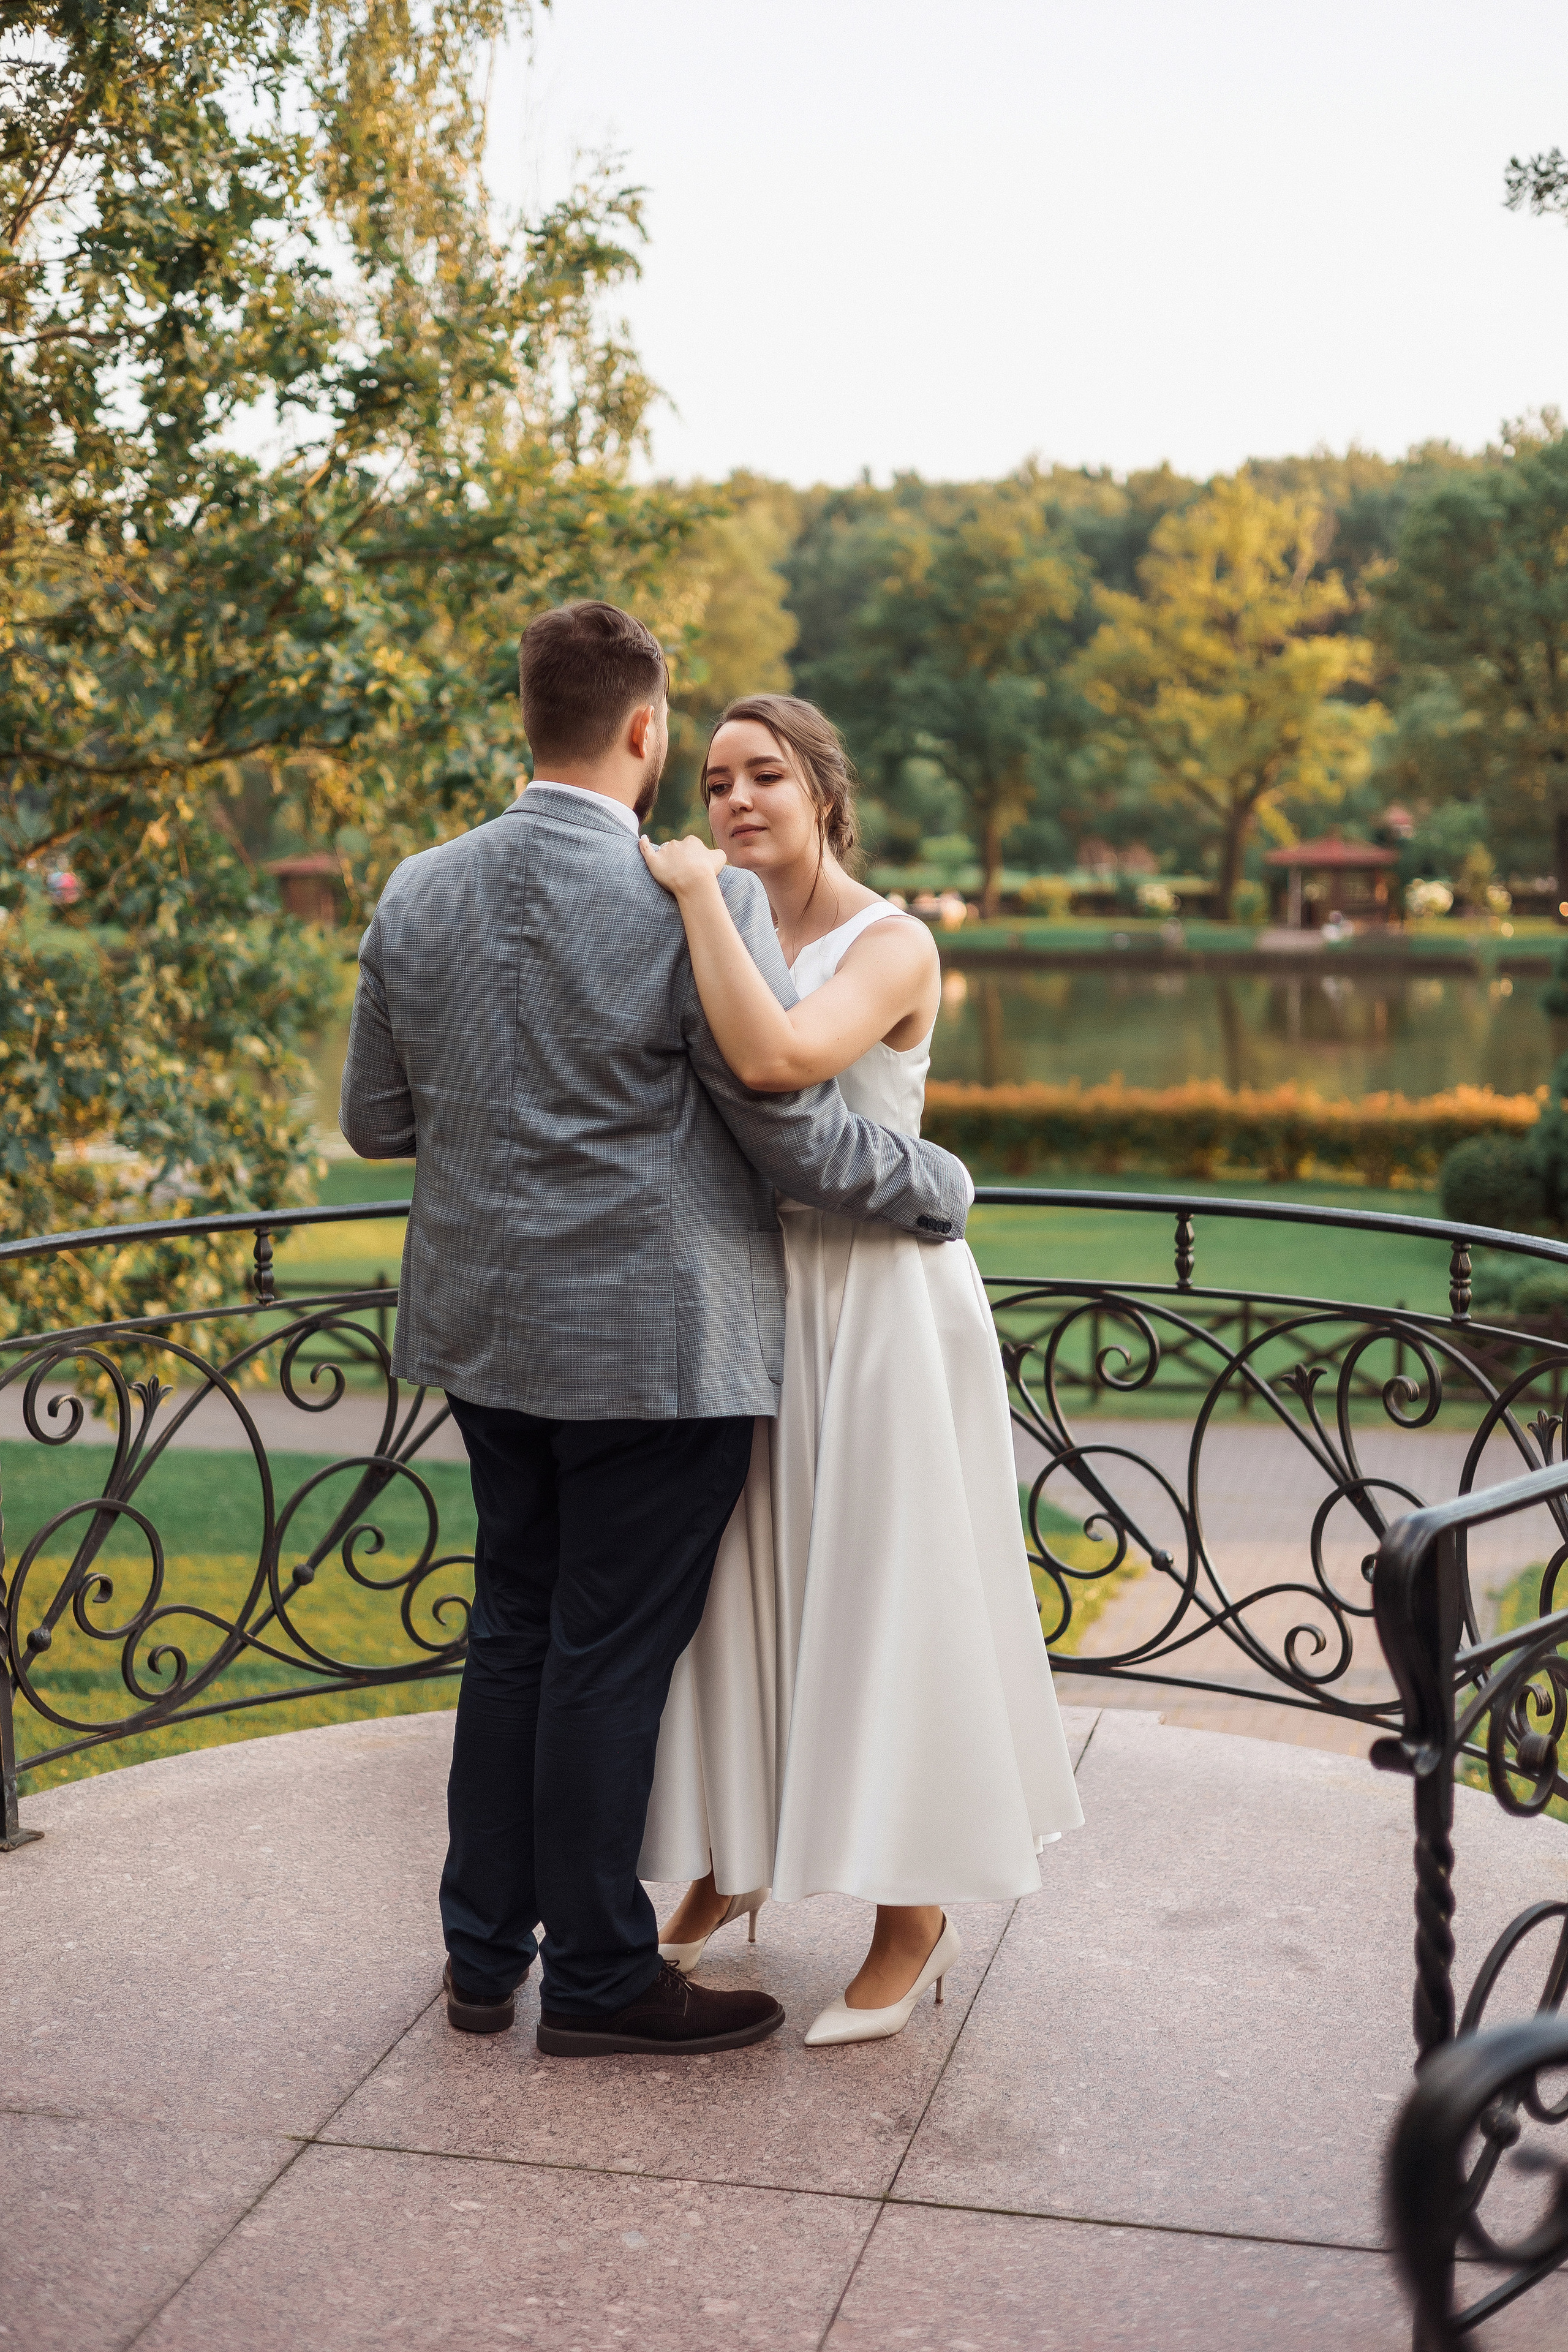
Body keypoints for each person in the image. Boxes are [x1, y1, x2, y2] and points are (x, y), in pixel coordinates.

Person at [339, 606, 973, 2060]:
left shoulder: (415, 891)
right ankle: (608, 1985)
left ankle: (483, 1962)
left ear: (527, 718)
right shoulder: (686, 902)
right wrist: (938, 1183)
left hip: (484, 1339)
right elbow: (793, 1137)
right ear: (647, 731)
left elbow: (376, 1121)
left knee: (510, 1635)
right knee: (604, 1658)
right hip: (657, 1352)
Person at [639, 695, 1083, 2048]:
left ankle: (912, 1916)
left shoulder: (891, 942)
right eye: (711, 783)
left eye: (762, 775)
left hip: (881, 1301)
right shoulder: (725, 925)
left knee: (891, 1596)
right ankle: (735, 1848)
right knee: (746, 1585)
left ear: (823, 791)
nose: (732, 803)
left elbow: (780, 1061)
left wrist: (692, 895)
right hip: (760, 1299)